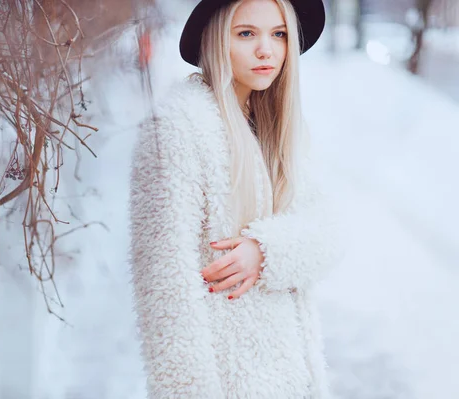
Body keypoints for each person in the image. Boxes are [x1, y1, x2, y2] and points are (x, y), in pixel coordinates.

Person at [128, 0, 343, 397]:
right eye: (246, 34)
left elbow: (328, 233)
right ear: (215, 40)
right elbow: (164, 293)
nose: (266, 50)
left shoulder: (275, 124)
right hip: (227, 381)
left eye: (278, 34)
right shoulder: (177, 128)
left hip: (291, 377)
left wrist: (266, 251)